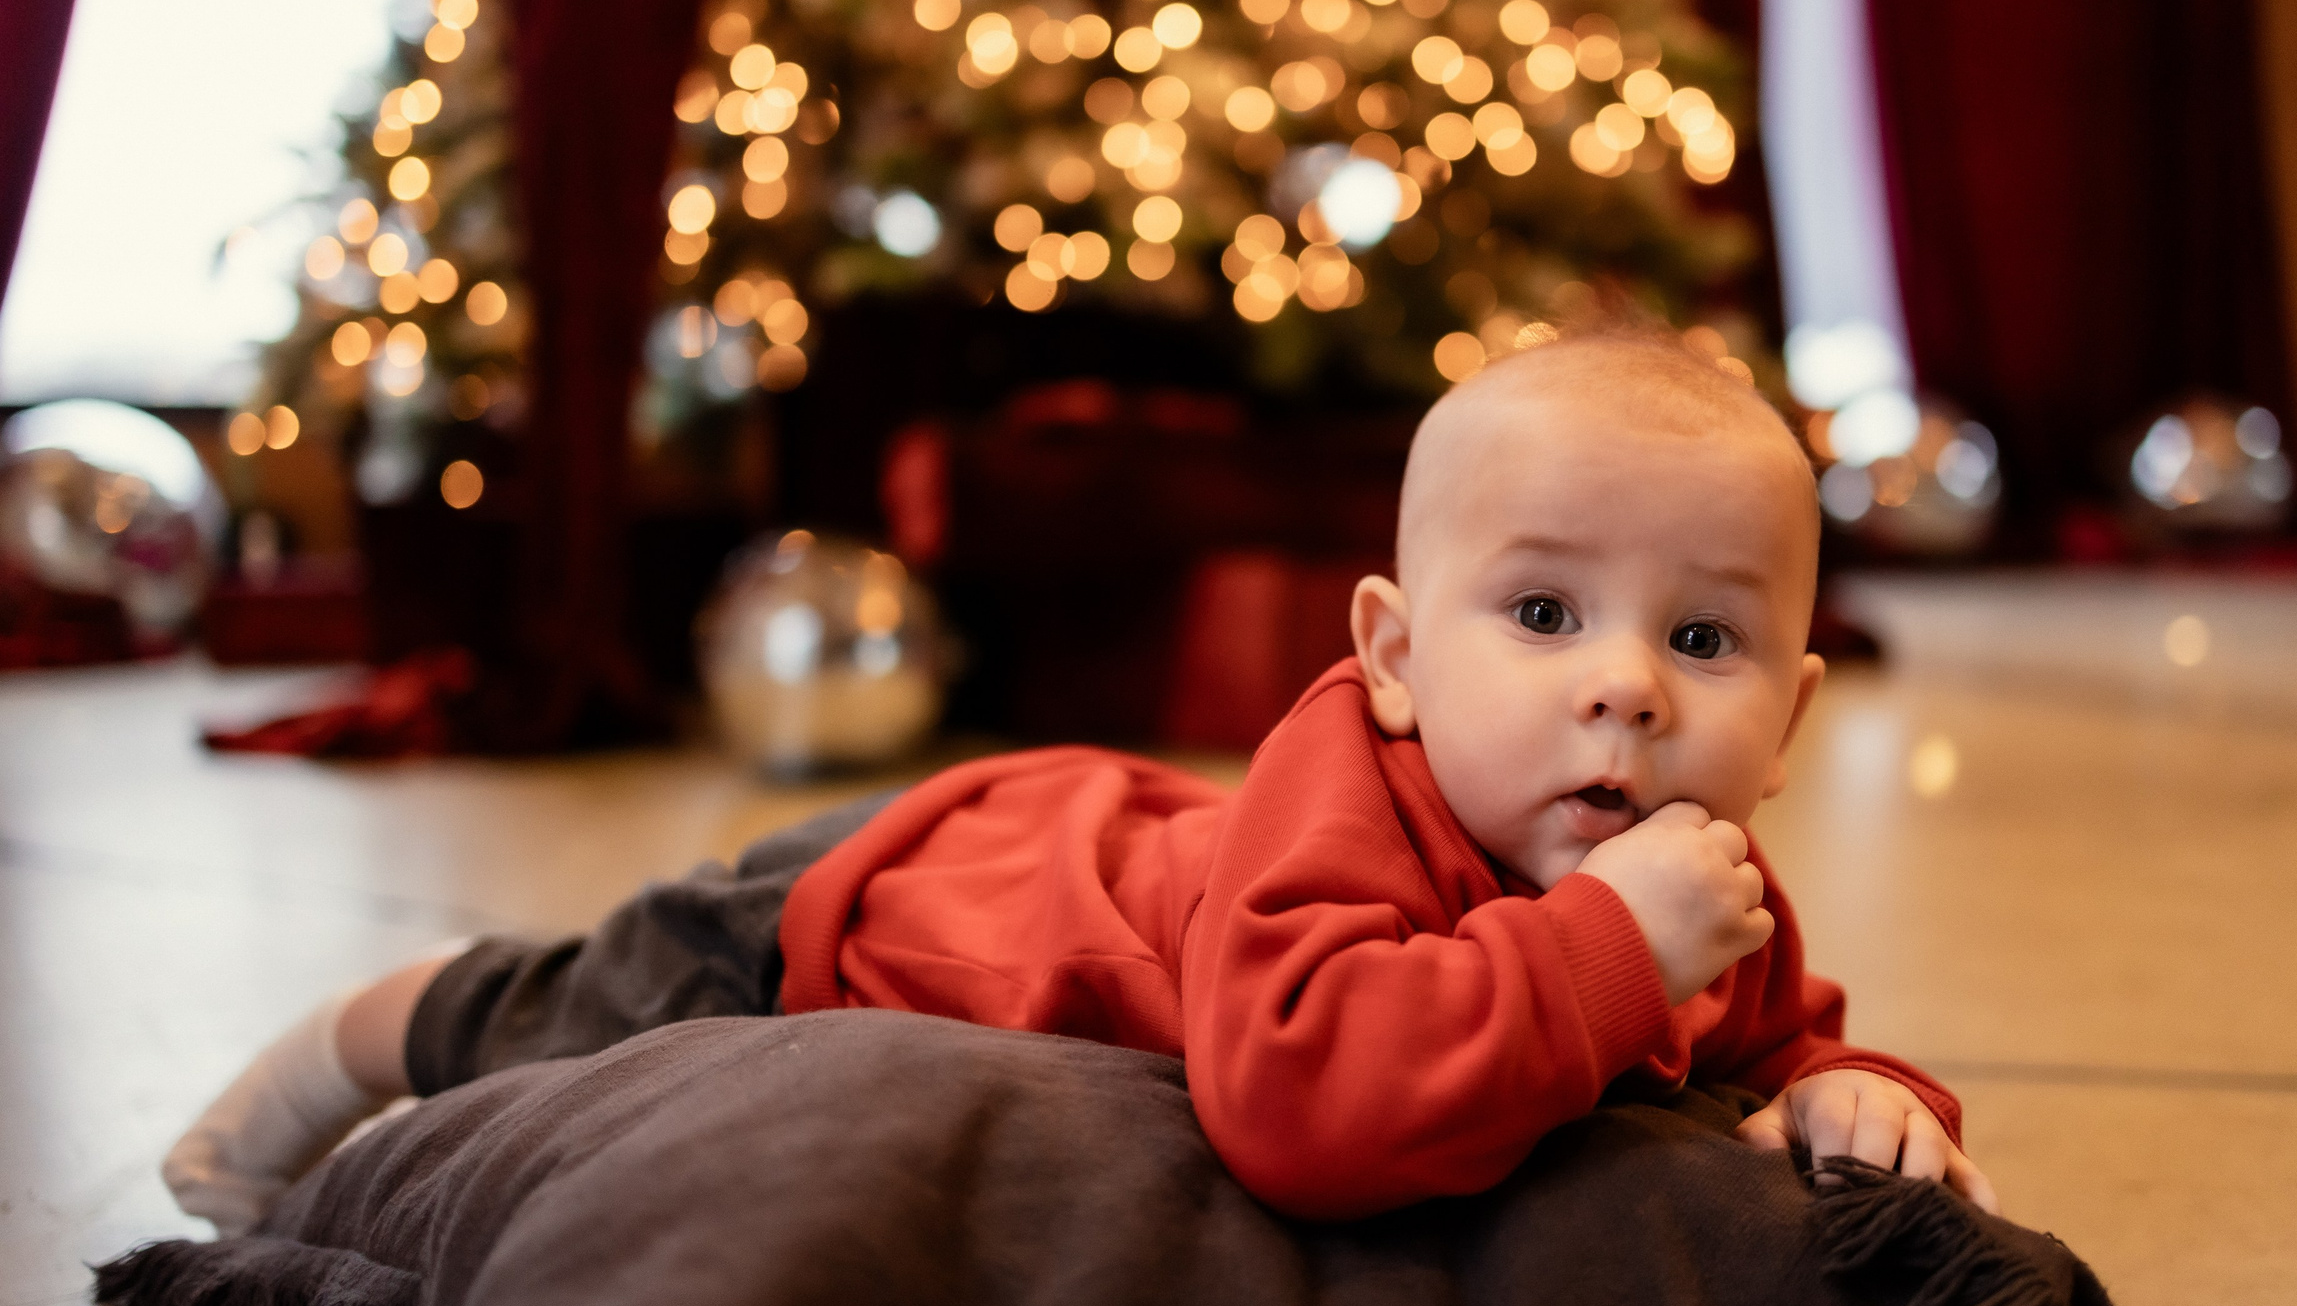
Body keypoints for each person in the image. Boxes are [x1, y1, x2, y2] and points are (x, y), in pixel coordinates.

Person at [165, 326, 1996, 1234]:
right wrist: (1602, 949)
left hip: (1086, 840)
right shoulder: (1351, 791)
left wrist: (1858, 1090)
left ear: (1797, 709)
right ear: (1395, 654)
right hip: (902, 907)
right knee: (553, 1018)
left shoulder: (1686, 871)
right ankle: (351, 1038)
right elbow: (1300, 1108)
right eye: (1541, 610)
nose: (1624, 692)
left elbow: (1773, 1032)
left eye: (1703, 643)